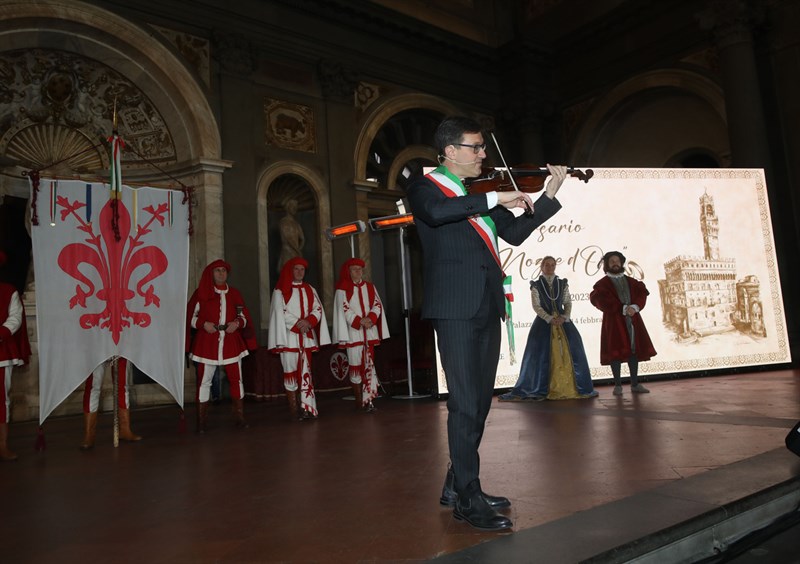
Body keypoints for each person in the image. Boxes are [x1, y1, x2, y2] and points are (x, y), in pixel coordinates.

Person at [406, 116, 567, 531]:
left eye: (482, 147)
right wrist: (495, 196)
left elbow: (514, 233)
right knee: (463, 401)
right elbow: (437, 214)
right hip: (454, 307)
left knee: (478, 401)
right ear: (450, 151)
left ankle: (456, 483)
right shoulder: (425, 188)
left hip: (486, 305)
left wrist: (548, 196)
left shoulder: (474, 195)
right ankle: (468, 497)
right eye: (475, 147)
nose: (483, 154)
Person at [499, 256, 598, 401]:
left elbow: (568, 302)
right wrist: (549, 318)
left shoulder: (562, 284)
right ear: (542, 267)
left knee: (574, 347)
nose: (550, 267)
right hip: (543, 324)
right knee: (540, 353)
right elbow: (536, 306)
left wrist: (564, 317)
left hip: (563, 322)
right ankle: (541, 388)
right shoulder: (536, 285)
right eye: (547, 265)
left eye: (552, 265)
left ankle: (574, 387)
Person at [187, 259, 257, 433]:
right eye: (217, 270)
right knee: (204, 381)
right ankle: (201, 420)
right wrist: (203, 324)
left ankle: (239, 416)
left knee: (236, 379)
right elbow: (189, 317)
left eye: (223, 270)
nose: (221, 273)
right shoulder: (201, 293)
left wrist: (237, 323)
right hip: (207, 342)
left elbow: (244, 316)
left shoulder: (234, 294)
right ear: (211, 274)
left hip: (231, 342)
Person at [268, 256, 330, 420]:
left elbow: (317, 308)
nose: (299, 272)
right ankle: (295, 410)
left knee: (305, 372)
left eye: (302, 269)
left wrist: (309, 322)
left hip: (306, 337)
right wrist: (298, 324)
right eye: (296, 269)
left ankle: (306, 407)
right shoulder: (280, 290)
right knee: (290, 373)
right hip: (288, 338)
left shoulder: (310, 289)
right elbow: (280, 311)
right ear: (291, 270)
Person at [589, 250, 657, 395]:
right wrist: (622, 308)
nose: (615, 264)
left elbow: (642, 294)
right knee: (615, 351)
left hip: (633, 319)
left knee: (633, 350)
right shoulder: (602, 284)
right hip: (614, 322)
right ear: (607, 264)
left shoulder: (632, 282)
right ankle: (618, 385)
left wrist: (635, 307)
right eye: (612, 261)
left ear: (621, 263)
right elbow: (599, 301)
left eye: (617, 261)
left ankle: (635, 384)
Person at [332, 258, 389, 412]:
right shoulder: (342, 289)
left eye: (360, 269)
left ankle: (369, 400)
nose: (358, 272)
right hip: (353, 333)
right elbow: (344, 308)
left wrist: (370, 318)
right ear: (349, 272)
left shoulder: (370, 287)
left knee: (369, 365)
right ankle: (359, 401)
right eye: (354, 269)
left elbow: (377, 305)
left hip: (369, 332)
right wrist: (359, 321)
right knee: (355, 366)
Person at [0, 250, 31, 461]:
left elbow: (15, 318)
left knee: (1, 400)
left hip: (2, 353)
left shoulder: (8, 291)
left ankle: (2, 445)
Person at [79, 358, 142, 450]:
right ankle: (89, 434)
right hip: (97, 350)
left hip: (121, 349)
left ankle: (125, 429)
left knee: (122, 385)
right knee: (93, 386)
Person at [278, 199, 305, 270]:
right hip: (287, 252)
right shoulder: (283, 222)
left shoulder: (296, 224)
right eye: (292, 206)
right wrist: (298, 250)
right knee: (287, 271)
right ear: (288, 207)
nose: (295, 208)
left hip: (296, 253)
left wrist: (299, 249)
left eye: (296, 207)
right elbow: (287, 238)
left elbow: (302, 239)